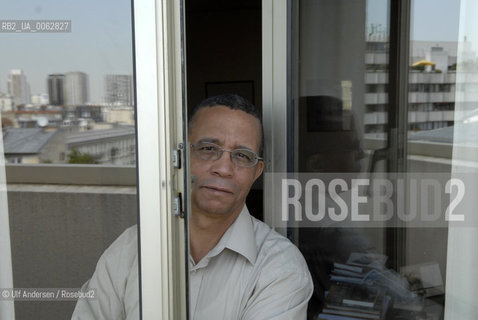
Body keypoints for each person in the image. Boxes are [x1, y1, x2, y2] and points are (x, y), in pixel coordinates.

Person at [72, 94, 313, 319]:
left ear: (256, 172)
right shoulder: (131, 248)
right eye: (208, 149)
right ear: (181, 156)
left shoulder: (281, 269)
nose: (224, 168)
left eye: (242, 156)